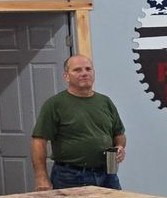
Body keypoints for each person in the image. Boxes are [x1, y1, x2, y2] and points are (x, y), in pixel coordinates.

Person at [32, 55, 127, 190]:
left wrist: (120, 146)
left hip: (107, 175)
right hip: (70, 176)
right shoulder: (55, 104)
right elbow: (39, 141)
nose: (84, 73)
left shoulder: (105, 102)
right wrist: (41, 177)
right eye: (77, 70)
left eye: (88, 69)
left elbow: (119, 135)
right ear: (66, 76)